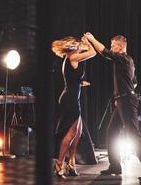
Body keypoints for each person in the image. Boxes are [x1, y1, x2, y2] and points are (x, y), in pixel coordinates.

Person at [84, 32, 141, 180]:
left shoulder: (123, 58)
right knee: (111, 134)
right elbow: (134, 82)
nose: (111, 47)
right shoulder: (125, 62)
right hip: (122, 101)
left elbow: (104, 52)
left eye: (113, 45)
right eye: (111, 45)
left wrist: (91, 39)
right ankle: (115, 167)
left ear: (120, 47)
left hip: (127, 102)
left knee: (134, 135)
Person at [51, 36, 96, 179]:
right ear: (73, 46)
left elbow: (72, 79)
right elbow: (93, 52)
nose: (79, 46)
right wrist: (88, 42)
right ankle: (59, 163)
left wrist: (80, 83)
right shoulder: (73, 57)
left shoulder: (71, 58)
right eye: (77, 44)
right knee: (71, 133)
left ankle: (71, 162)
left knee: (78, 132)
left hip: (71, 97)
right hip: (69, 99)